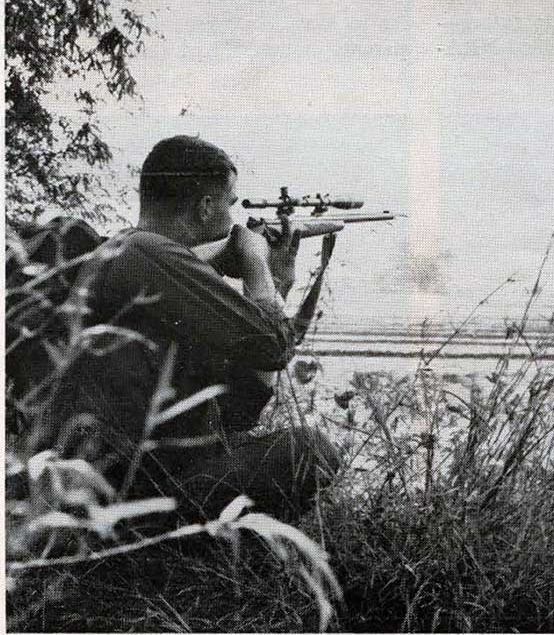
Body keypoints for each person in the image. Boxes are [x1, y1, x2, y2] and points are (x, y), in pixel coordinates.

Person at [28, 135, 340, 523]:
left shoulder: (133, 254)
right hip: (129, 496)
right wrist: (256, 266)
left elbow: (242, 407)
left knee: (274, 448)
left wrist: (276, 283)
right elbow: (274, 348)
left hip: (125, 481)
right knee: (311, 451)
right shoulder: (148, 252)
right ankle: (159, 549)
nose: (233, 219)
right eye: (231, 204)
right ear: (206, 207)